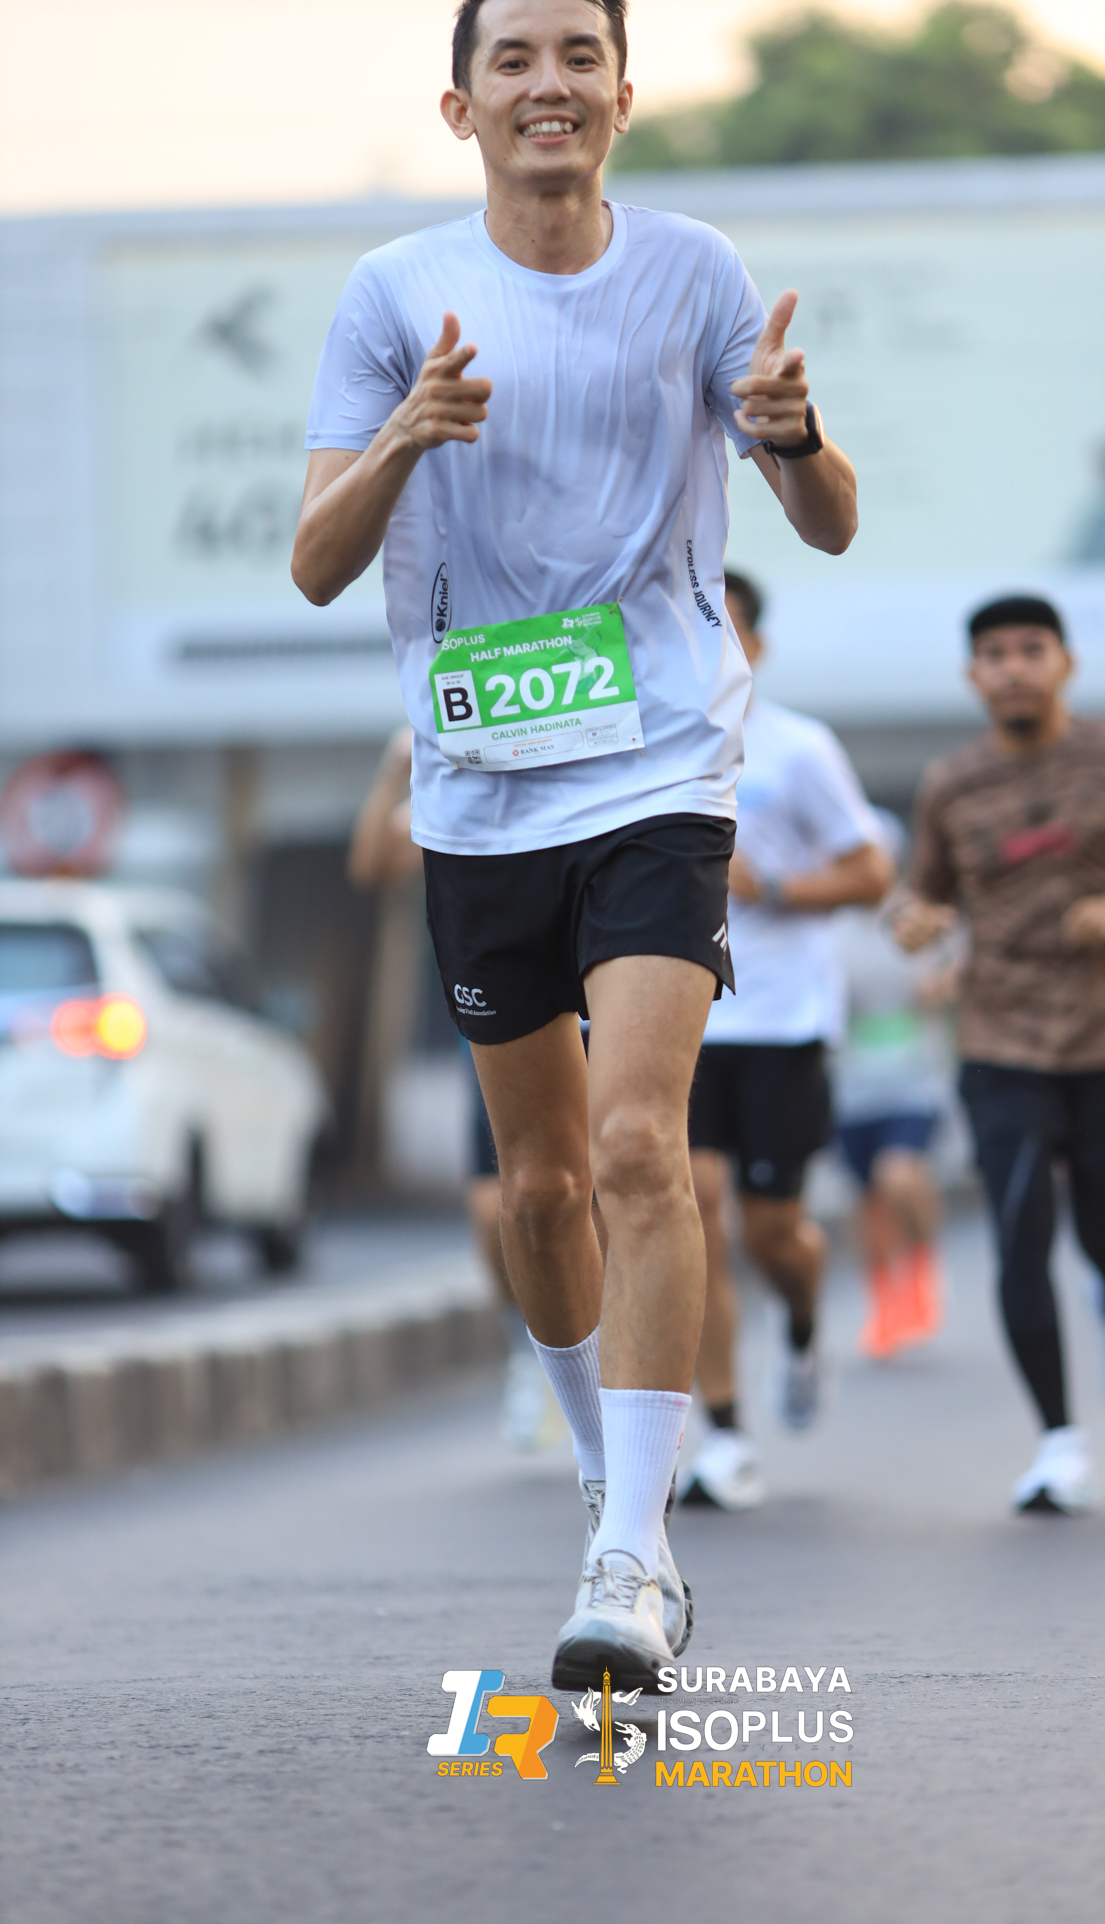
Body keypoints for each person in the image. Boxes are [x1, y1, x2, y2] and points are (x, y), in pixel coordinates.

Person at [293, 0, 859, 1689]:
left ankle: (628, 1554)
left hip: (662, 761)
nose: (551, 83)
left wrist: (793, 434)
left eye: (579, 55)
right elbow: (317, 563)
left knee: (635, 1142)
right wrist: (405, 436)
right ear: (460, 105)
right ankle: (614, 1490)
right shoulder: (392, 293)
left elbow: (827, 523)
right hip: (482, 780)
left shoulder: (694, 270)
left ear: (624, 92)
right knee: (539, 1188)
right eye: (516, 59)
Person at [893, 593, 1105, 1515]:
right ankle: (1058, 1443)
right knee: (1019, 1230)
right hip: (1002, 1035)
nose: (1013, 668)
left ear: (1065, 664)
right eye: (994, 654)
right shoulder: (951, 783)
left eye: (1031, 649)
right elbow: (924, 895)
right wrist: (914, 921)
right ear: (972, 676)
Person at [680, 572, 891, 1510]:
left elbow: (871, 873)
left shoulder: (800, 750)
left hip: (780, 1022)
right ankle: (725, 1430)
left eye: (718, 624)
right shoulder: (632, 742)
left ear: (756, 647)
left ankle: (803, 1325)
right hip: (677, 1020)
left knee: (774, 1233)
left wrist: (774, 891)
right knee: (691, 1213)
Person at [348, 726, 561, 1451]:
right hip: (502, 1013)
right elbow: (373, 866)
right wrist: (394, 773)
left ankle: (610, 1372)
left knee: (596, 1196)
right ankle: (527, 1345)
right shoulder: (461, 779)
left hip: (596, 1010)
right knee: (492, 1208)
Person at [832, 811, 958, 1361]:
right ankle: (885, 1307)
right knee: (866, 1202)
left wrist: (943, 985)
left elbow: (967, 961)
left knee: (899, 1176)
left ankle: (923, 1267)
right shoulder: (831, 926)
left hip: (915, 1078)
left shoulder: (920, 918)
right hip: (852, 1084)